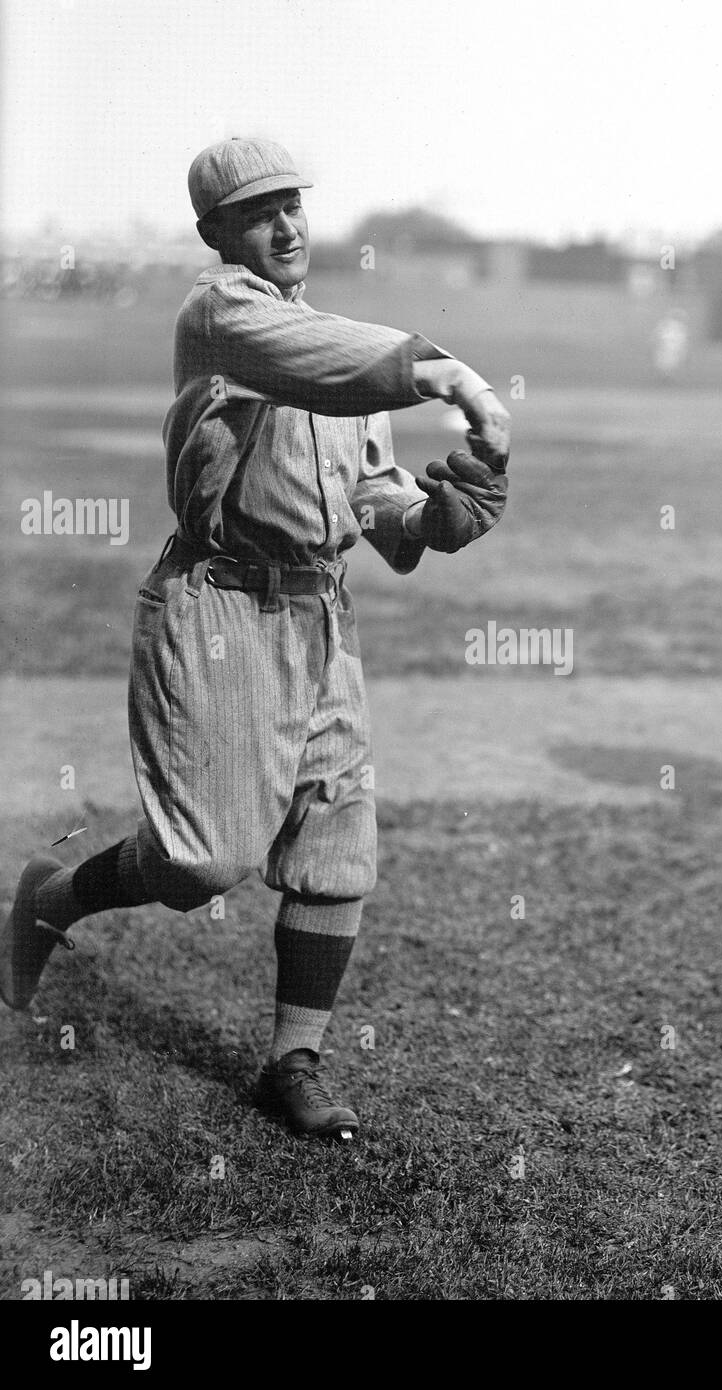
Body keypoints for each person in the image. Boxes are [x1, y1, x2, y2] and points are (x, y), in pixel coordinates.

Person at [1, 138, 511, 1138]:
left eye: (293, 206)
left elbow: (378, 504)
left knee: (334, 845)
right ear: (217, 234)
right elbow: (339, 367)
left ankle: (294, 1058)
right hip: (221, 608)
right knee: (203, 863)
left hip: (320, 612)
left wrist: (446, 514)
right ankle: (51, 894)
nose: (286, 226)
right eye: (258, 212)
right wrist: (456, 379)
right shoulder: (222, 317)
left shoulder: (332, 347)